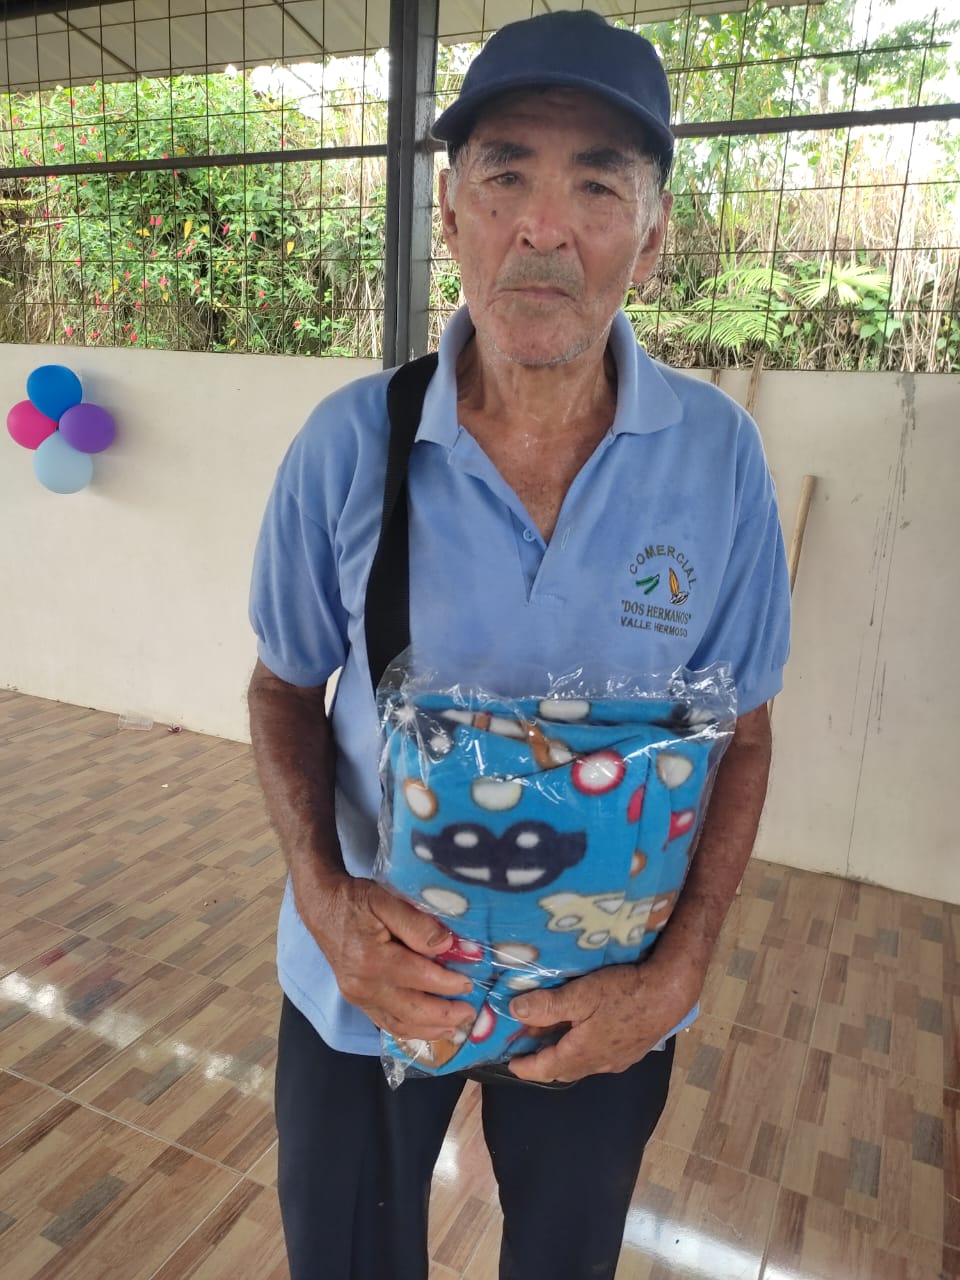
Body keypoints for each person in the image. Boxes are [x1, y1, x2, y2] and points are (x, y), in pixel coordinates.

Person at [247, 10, 790, 1280]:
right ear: (450, 213)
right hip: (368, 986)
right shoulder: (348, 446)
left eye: (597, 184)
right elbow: (281, 688)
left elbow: (748, 735)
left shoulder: (718, 461)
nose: (544, 228)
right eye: (506, 177)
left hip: (606, 998)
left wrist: (678, 972)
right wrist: (328, 908)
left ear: (651, 234)